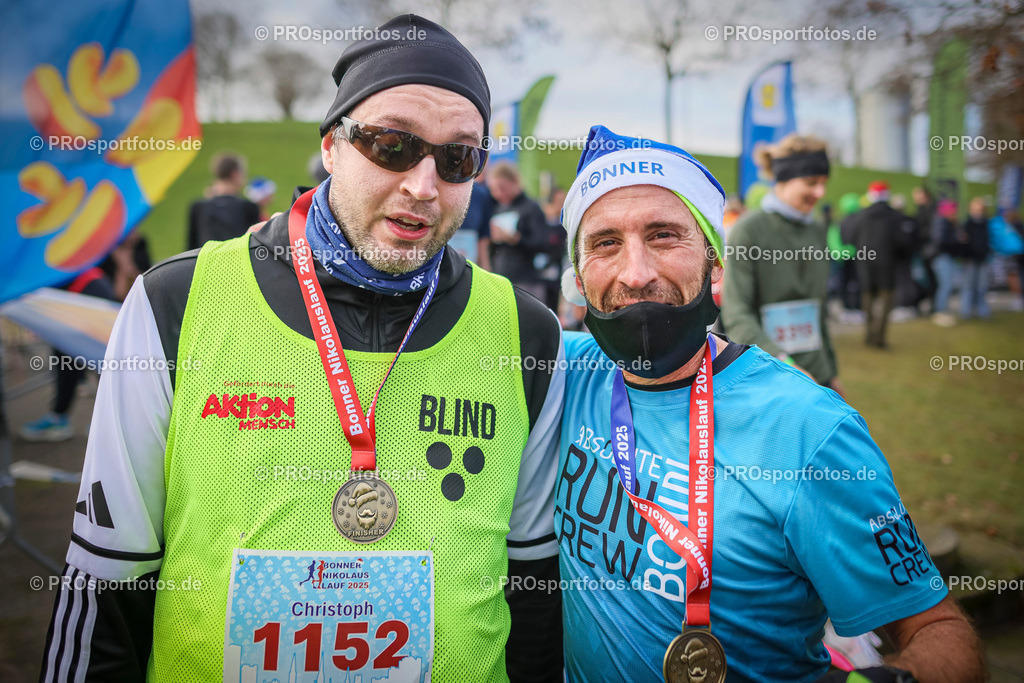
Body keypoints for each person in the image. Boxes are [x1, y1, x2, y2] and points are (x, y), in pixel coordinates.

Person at [41, 15, 565, 682]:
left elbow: (535, 596)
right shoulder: (174, 301)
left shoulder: (527, 333)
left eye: (458, 158)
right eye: (392, 144)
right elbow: (104, 584)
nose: (424, 186)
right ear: (333, 145)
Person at [555, 124, 985, 683]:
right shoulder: (557, 370)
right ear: (577, 278)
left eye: (664, 235)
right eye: (605, 243)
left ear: (715, 265)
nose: (636, 273)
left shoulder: (812, 431)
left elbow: (935, 629)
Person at [720, 134, 844, 396]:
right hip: (766, 375)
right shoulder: (748, 230)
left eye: (823, 183)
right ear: (784, 179)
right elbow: (737, 313)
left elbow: (818, 310)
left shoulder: (818, 231)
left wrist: (830, 374)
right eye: (811, 183)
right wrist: (784, 364)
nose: (820, 193)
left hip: (815, 375)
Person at [19, 268, 119, 441]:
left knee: (99, 362)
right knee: (78, 360)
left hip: (84, 294)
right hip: (84, 290)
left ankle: (108, 424)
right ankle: (67, 418)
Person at [840, 181, 914, 348]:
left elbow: (849, 238)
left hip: (864, 265)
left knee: (868, 299)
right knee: (886, 301)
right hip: (887, 266)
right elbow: (903, 242)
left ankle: (869, 335)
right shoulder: (895, 216)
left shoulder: (861, 215)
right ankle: (879, 338)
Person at [486, 162, 552, 302]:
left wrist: (515, 239)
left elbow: (543, 243)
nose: (498, 193)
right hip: (500, 280)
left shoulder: (531, 208)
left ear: (515, 181)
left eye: (502, 188)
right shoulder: (498, 209)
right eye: (493, 189)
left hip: (526, 282)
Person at [186, 151, 261, 250]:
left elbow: (190, 249)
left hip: (206, 264)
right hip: (237, 263)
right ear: (235, 174)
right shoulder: (249, 207)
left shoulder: (198, 207)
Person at [930, 199, 967, 327]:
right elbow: (940, 240)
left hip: (946, 257)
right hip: (943, 258)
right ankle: (940, 312)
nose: (955, 212)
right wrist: (957, 239)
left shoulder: (948, 223)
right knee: (945, 285)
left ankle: (943, 310)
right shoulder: (941, 222)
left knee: (947, 285)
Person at [960, 197, 992, 320]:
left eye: (979, 209)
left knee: (982, 286)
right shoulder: (967, 223)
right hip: (970, 259)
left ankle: (982, 311)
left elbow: (988, 240)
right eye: (975, 209)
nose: (977, 211)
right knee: (968, 286)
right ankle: (966, 311)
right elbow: (963, 241)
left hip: (983, 258)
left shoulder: (986, 223)